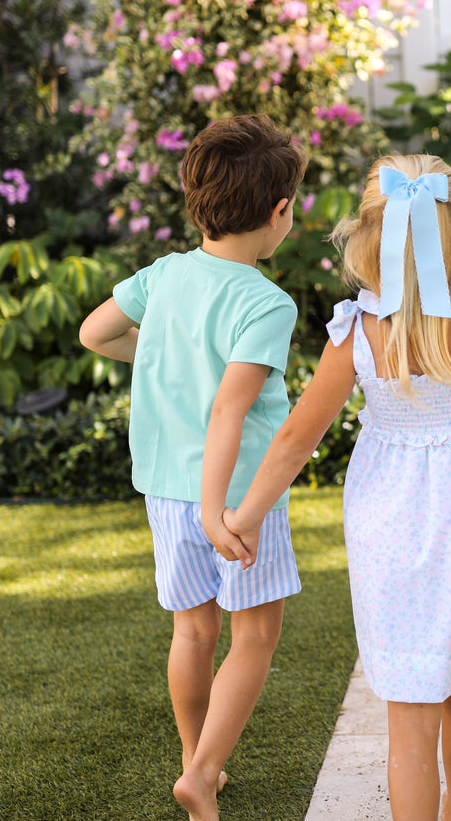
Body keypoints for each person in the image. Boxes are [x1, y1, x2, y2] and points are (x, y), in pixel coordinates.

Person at [221, 154, 451, 821]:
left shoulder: (358, 332)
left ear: (367, 238)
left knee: (409, 713)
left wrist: (246, 514)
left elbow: (294, 440)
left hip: (391, 527)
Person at [78, 114, 306, 821]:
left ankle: (193, 760)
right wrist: (219, 512)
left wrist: (151, 353)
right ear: (277, 212)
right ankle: (203, 772)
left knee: (192, 632)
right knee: (256, 634)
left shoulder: (165, 274)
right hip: (236, 502)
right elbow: (229, 415)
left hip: (165, 491)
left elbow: (95, 332)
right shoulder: (267, 302)